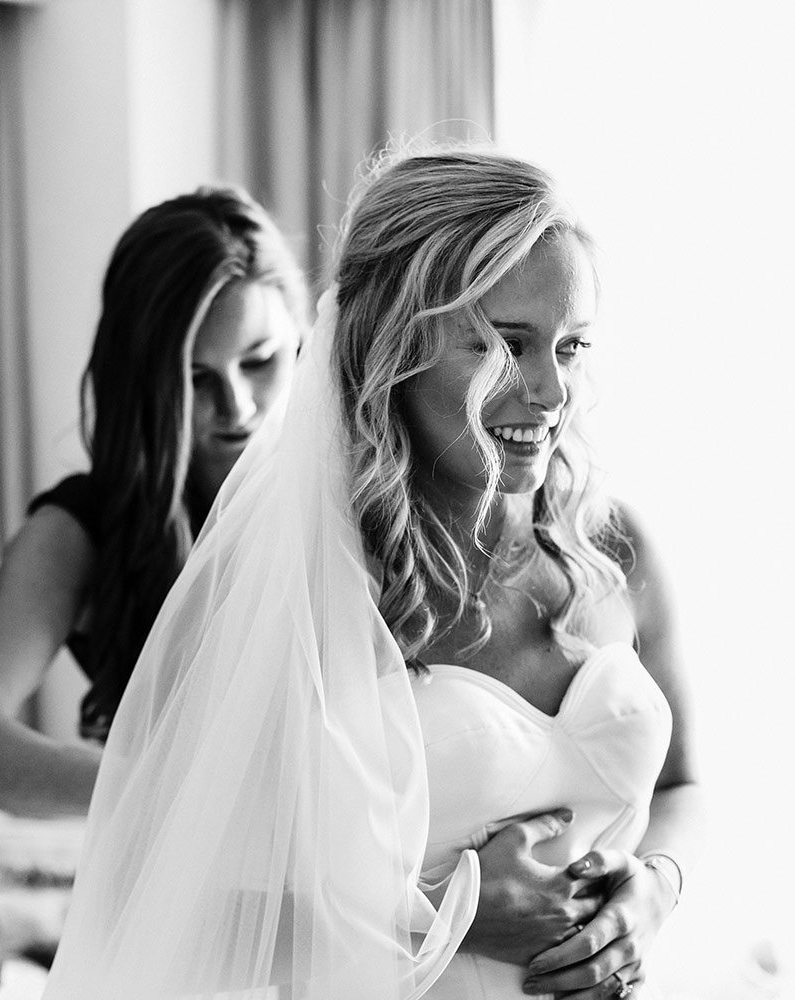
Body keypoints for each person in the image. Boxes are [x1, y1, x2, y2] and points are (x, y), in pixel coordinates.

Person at [39, 144, 702, 1000]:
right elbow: (157, 902)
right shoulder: (298, 581)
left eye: (569, 347)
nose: (551, 392)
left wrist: (657, 890)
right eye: (506, 346)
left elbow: (685, 785)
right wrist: (445, 920)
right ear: (397, 348)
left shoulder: (614, 544)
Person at [0, 186, 310, 815]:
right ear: (140, 384)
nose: (237, 407)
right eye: (194, 378)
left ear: (304, 343)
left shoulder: (365, 493)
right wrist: (166, 797)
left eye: (259, 362)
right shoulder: (79, 530)